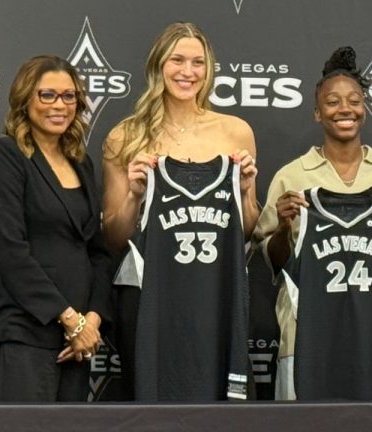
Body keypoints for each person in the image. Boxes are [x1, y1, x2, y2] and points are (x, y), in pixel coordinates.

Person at [101, 22, 258, 401]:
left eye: (198, 63)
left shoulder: (235, 131)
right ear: (158, 65)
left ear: (209, 70)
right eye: (177, 60)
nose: (188, 72)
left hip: (215, 291)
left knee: (223, 406)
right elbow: (113, 237)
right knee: (152, 403)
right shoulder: (125, 136)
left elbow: (248, 229)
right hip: (150, 295)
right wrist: (135, 196)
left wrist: (245, 190)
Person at [253, 46, 372, 400]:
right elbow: (274, 262)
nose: (345, 109)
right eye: (332, 102)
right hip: (307, 337)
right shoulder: (291, 176)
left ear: (365, 108)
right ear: (317, 112)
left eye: (354, 101)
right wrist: (283, 228)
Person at [0, 55, 111, 402]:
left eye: (69, 97)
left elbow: (96, 250)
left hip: (75, 343)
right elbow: (11, 252)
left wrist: (91, 321)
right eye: (47, 95)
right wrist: (70, 320)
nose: (59, 105)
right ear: (25, 100)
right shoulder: (4, 155)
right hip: (22, 334)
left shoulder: (81, 163)